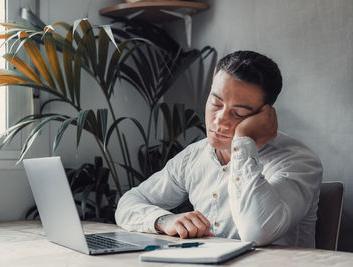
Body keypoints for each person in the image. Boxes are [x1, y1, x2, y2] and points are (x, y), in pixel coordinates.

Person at [115, 50, 322, 247]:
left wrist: (243, 140)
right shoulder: (193, 157)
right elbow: (129, 202)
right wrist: (164, 220)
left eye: (239, 113)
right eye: (215, 103)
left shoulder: (299, 162)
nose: (220, 120)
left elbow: (257, 232)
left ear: (265, 116)